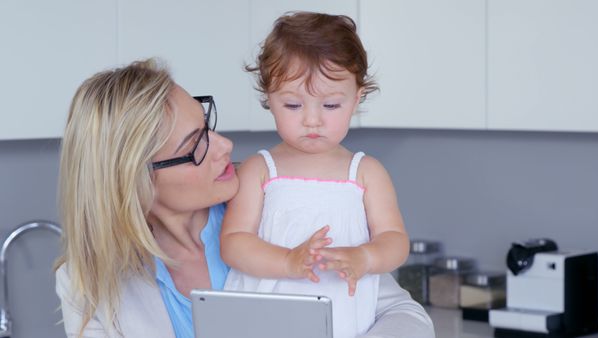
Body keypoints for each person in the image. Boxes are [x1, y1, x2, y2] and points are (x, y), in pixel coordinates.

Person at [54, 59, 435, 338]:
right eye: (195, 146)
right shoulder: (86, 281)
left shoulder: (276, 205)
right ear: (135, 180)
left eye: (208, 127)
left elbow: (405, 315)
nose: (225, 147)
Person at [221, 12, 411, 338]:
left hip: (343, 324)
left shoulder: (366, 173)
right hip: (264, 325)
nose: (312, 121)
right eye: (293, 105)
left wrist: (365, 257)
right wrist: (288, 262)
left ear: (357, 98)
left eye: (331, 106)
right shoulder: (259, 170)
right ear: (269, 98)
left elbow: (395, 241)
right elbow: (234, 244)